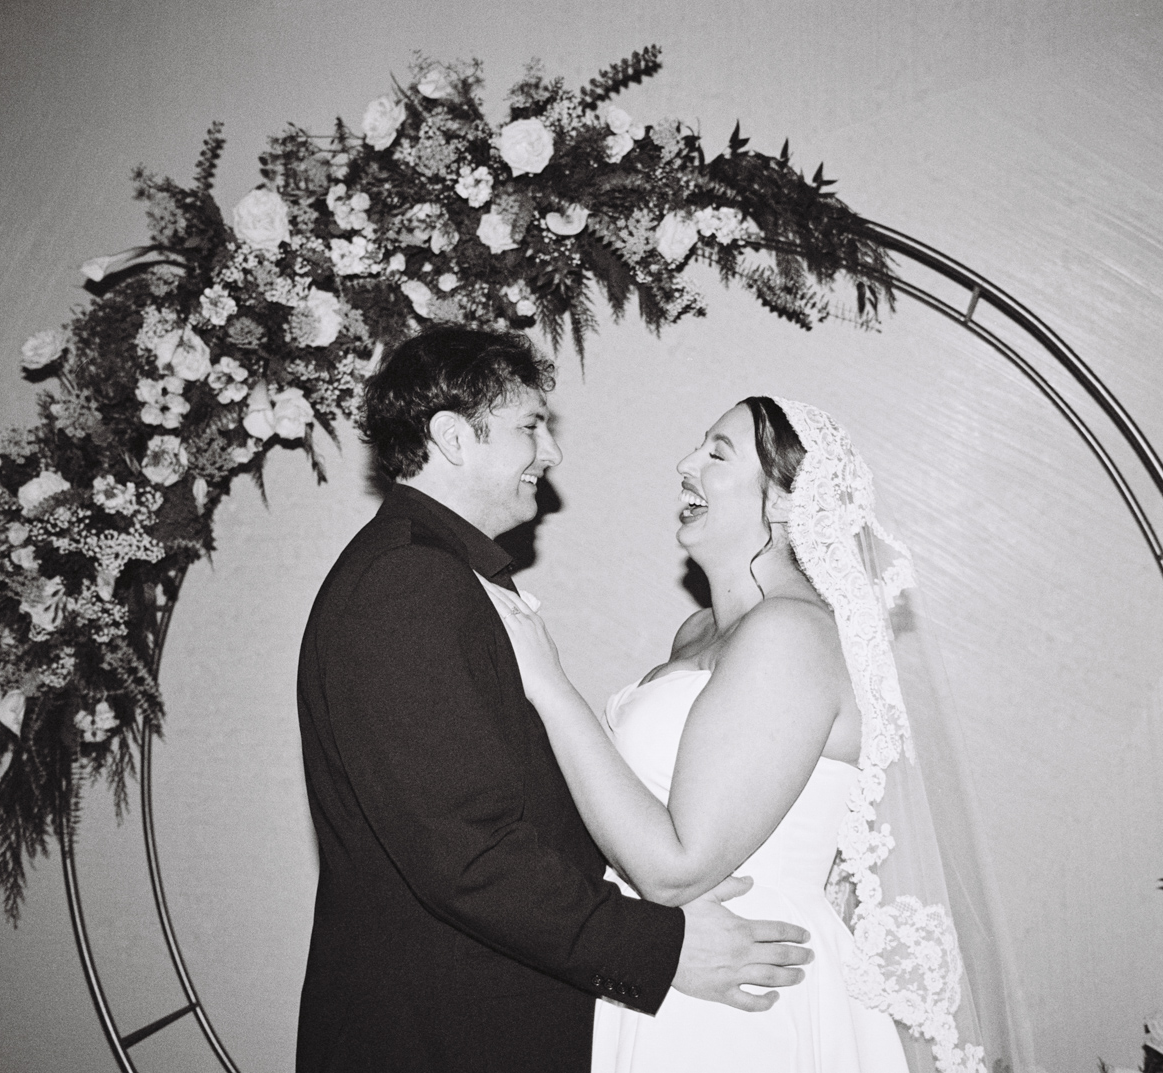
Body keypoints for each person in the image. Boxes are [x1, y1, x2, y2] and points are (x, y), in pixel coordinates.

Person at [294, 328, 814, 1073]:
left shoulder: (438, 570)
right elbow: (467, 853)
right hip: (442, 1036)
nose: (552, 453)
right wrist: (658, 948)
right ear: (452, 438)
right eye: (531, 426)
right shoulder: (408, 581)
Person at [488, 397, 1028, 1073]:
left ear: (781, 500)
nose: (686, 464)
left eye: (717, 453)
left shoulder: (791, 633)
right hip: (676, 962)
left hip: (743, 994)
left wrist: (548, 683)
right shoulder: (699, 632)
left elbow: (673, 865)